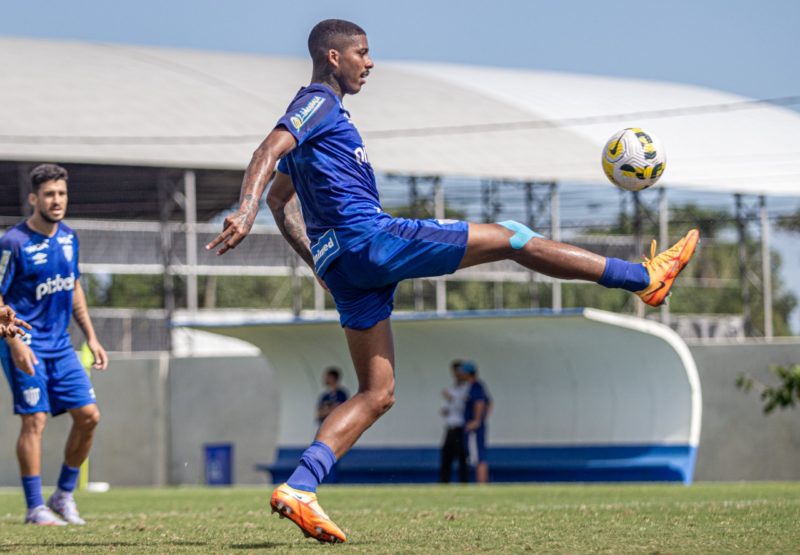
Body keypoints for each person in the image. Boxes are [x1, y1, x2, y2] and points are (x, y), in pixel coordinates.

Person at [206, 19, 699, 543]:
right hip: (372, 240)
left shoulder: (320, 132)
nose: (369, 63)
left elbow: (284, 200)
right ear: (334, 57)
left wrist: (315, 263)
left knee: (378, 392)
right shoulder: (316, 104)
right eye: (363, 53)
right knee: (512, 235)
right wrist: (244, 209)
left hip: (343, 264)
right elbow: (266, 152)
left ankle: (300, 488)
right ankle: (644, 277)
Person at [0, 164, 108, 526]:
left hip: (61, 346)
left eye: (61, 193)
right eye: (49, 194)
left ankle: (62, 496)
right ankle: (35, 508)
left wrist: (91, 336)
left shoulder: (69, 238)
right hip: (24, 343)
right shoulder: (12, 242)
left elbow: (73, 286)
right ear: (34, 199)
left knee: (89, 416)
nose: (57, 200)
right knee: (35, 420)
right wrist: (14, 343)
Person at [461, 361, 491, 484]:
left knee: (478, 457)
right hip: (478, 426)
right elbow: (489, 403)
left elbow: (480, 403)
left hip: (475, 429)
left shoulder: (475, 387)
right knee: (477, 457)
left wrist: (477, 421)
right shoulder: (477, 386)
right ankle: (481, 483)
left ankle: (482, 484)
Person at [439, 360, 469, 484]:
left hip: (461, 427)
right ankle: (444, 482)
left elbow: (463, 406)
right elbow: (446, 409)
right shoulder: (453, 388)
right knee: (446, 456)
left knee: (462, 457)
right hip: (451, 426)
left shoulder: (467, 388)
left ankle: (464, 482)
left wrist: (452, 398)